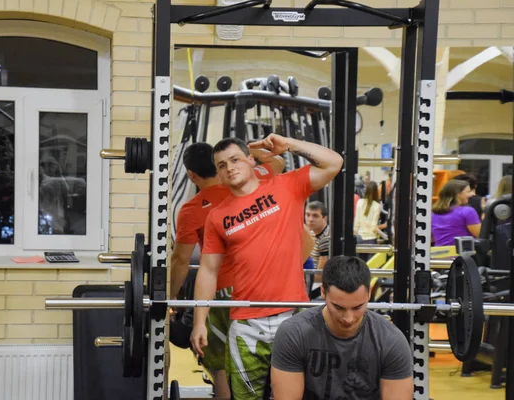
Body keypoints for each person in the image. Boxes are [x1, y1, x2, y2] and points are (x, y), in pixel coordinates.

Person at [191, 134, 343, 399]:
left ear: (251, 160)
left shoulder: (287, 186)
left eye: (235, 159)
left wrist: (289, 144)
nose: (230, 168)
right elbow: (208, 270)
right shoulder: (217, 216)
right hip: (245, 324)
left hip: (292, 317)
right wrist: (199, 322)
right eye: (222, 165)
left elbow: (334, 162)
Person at [169, 141, 285, 397]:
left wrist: (172, 296)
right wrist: (248, 153)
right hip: (266, 288)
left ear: (191, 175)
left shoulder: (190, 210)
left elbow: (180, 261)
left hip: (224, 294)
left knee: (218, 363)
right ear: (217, 165)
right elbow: (278, 163)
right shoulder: (252, 178)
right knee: (273, 360)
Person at [270, 256, 414, 400]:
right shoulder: (294, 333)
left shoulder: (391, 341)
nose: (348, 319)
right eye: (338, 307)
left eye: (358, 307)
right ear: (322, 292)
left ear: (369, 293)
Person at [431, 179, 481, 246]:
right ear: (458, 194)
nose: (471, 195)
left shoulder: (434, 212)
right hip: (460, 254)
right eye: (468, 192)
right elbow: (480, 235)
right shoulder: (468, 211)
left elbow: (432, 237)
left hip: (437, 253)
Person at [354, 181, 384, 262]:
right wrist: (384, 235)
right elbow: (374, 227)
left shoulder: (359, 202)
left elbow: (356, 222)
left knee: (360, 264)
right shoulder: (377, 206)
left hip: (360, 238)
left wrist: (355, 233)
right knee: (371, 265)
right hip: (371, 239)